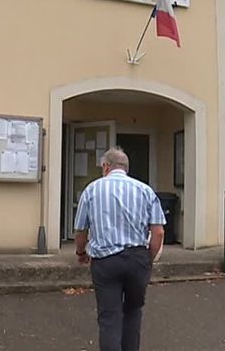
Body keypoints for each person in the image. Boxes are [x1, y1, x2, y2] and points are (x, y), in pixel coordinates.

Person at [74, 146, 166, 351]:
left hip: (105, 262)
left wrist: (81, 253)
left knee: (109, 317)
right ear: (126, 168)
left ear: (106, 166)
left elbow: (80, 230)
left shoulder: (92, 190)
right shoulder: (145, 190)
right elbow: (158, 232)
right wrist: (147, 259)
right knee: (133, 312)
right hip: (137, 259)